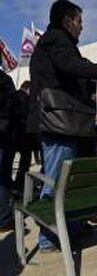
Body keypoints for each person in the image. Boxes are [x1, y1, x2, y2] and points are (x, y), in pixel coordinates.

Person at [29, 0, 97, 252]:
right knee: (56, 180)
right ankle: (49, 239)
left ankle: (70, 229)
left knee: (68, 181)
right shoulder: (55, 40)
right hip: (58, 125)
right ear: (67, 20)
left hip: (67, 125)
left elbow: (75, 75)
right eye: (79, 21)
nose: (82, 27)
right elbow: (71, 67)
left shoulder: (62, 45)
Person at [0, 69, 16, 232]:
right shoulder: (4, 80)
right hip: (3, 137)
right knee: (3, 178)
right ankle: (4, 220)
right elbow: (11, 107)